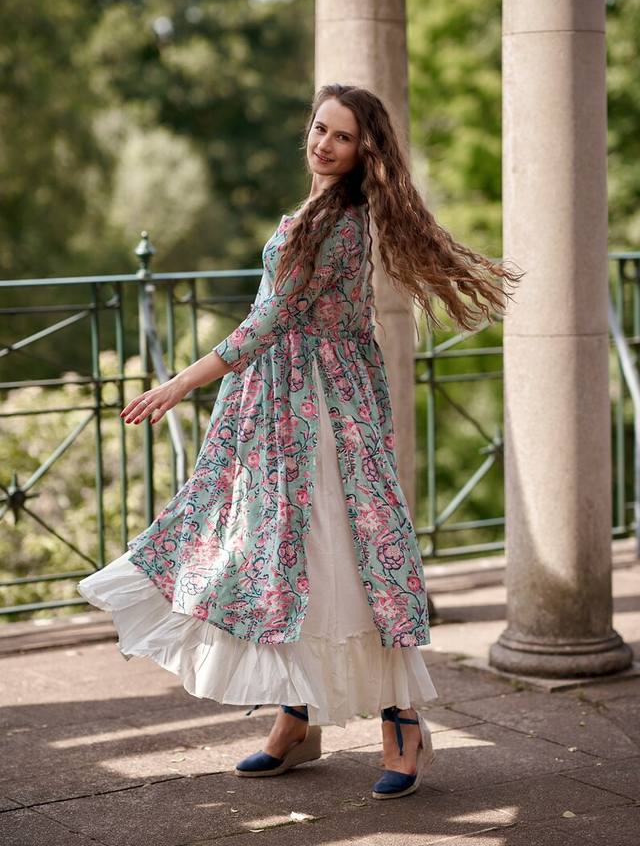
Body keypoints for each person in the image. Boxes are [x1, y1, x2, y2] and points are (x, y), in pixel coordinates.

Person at [78, 83, 523, 800]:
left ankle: (402, 724)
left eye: (342, 136)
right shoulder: (322, 215)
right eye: (320, 128)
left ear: (363, 150)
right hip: (284, 407)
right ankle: (297, 719)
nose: (324, 144)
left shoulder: (337, 224)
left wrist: (178, 384)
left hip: (317, 412)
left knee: (340, 556)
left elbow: (268, 322)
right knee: (285, 556)